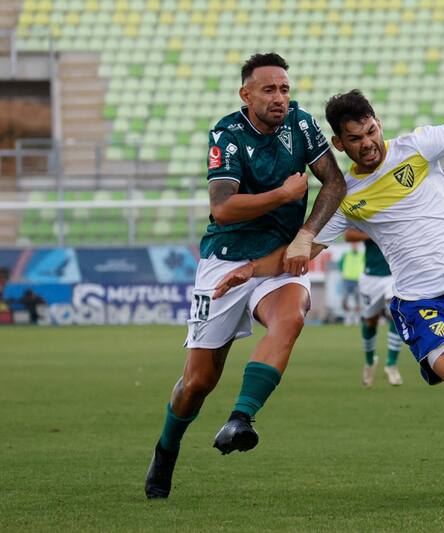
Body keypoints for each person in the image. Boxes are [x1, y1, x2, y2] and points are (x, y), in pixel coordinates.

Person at [214, 71, 444, 506]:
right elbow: (302, 251)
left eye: (371, 131)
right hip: (423, 303)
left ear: (379, 123)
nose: (367, 143)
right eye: (355, 139)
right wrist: (250, 270)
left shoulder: (419, 146)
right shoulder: (346, 196)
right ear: (339, 144)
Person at [144, 52, 346, 499]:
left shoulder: (302, 124)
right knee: (198, 383)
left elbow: (335, 183)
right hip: (225, 260)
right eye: (269, 90)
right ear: (246, 94)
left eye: (285, 89)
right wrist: (284, 194)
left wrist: (306, 234)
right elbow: (222, 207)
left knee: (291, 316)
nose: (280, 98)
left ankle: (240, 419)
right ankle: (166, 448)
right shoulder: (227, 134)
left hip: (279, 260)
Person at [344, 229, 404, 387]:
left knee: (396, 312)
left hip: (393, 275)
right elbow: (349, 235)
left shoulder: (398, 216)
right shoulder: (368, 216)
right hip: (370, 277)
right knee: (370, 322)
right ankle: (370, 362)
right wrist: (373, 233)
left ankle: (391, 364)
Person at [338, 241, 364, 325]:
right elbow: (340, 265)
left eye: (356, 244)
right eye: (353, 244)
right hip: (347, 279)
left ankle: (357, 317)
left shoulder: (362, 256)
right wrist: (344, 273)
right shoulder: (346, 255)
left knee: (358, 299)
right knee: (345, 298)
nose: (354, 245)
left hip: (358, 280)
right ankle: (347, 316)